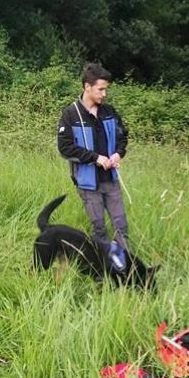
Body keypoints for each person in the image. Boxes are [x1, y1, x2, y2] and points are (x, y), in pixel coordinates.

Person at [57, 63, 129, 251]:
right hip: (88, 183)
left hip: (111, 180)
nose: (104, 94)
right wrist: (96, 158)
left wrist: (117, 154)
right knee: (99, 228)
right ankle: (103, 268)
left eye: (106, 89)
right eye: (101, 89)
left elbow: (123, 137)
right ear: (87, 87)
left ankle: (126, 268)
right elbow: (65, 148)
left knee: (121, 226)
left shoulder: (109, 112)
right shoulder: (70, 114)